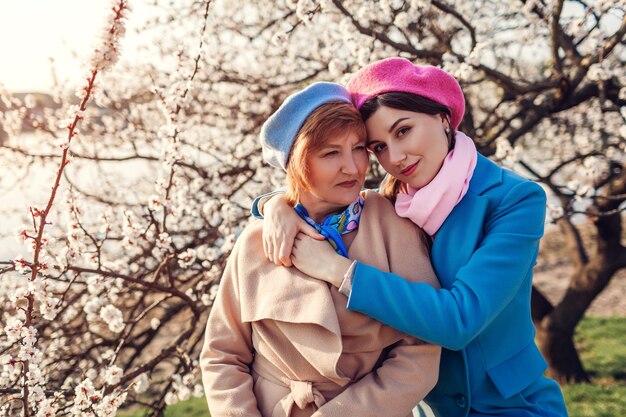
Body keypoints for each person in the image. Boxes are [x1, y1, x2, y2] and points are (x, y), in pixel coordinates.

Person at [253, 58, 569, 417]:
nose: (396, 157)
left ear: (442, 117)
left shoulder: (513, 199)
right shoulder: (391, 202)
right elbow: (324, 197)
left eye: (403, 131)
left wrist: (340, 271)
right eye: (378, 148)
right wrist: (275, 204)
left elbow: (460, 320)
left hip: (511, 405)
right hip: (424, 408)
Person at [200, 81, 441, 417]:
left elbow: (421, 349)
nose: (353, 167)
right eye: (331, 153)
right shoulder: (255, 242)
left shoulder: (393, 223)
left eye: (358, 148)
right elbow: (222, 355)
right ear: (297, 163)